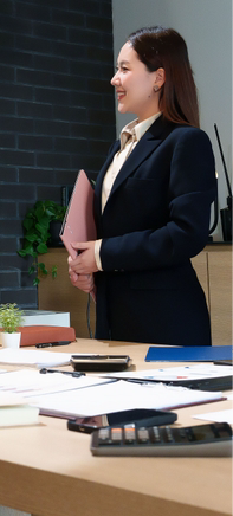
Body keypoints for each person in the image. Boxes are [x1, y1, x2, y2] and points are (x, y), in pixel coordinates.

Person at [68, 26, 215, 345]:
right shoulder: (120, 146)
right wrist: (92, 270)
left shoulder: (186, 141)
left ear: (158, 77)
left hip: (165, 323)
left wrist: (102, 254)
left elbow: (187, 234)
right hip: (114, 319)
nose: (114, 79)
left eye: (124, 68)